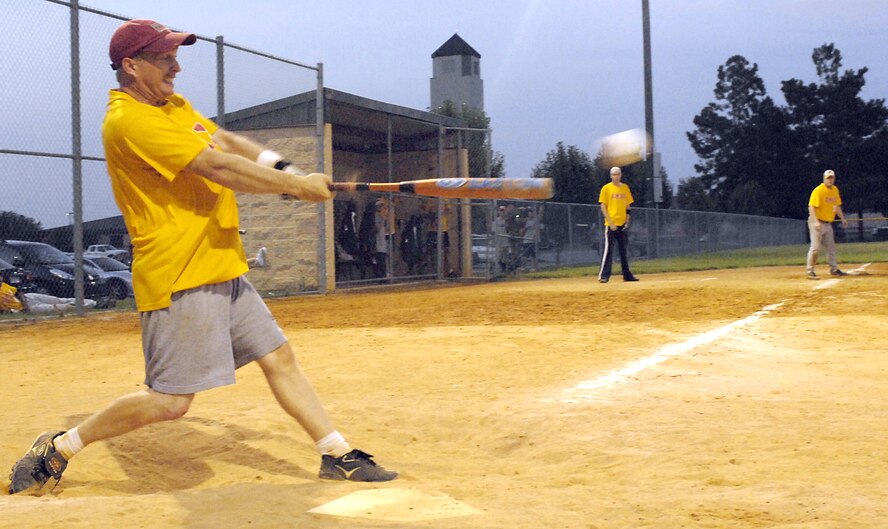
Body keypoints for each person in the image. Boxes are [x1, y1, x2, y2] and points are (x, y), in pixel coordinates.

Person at [8, 19, 396, 495]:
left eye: (174, 54)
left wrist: (286, 169)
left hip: (220, 262)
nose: (176, 65)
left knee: (279, 357)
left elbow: (226, 143)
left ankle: (336, 453)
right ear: (131, 66)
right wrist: (294, 187)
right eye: (163, 56)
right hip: (180, 273)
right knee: (170, 403)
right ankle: (61, 446)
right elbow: (214, 165)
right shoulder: (131, 120)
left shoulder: (171, 107)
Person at [598, 166, 639, 283]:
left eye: (618, 174)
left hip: (622, 224)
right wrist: (610, 223)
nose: (616, 176)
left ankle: (627, 275)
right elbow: (603, 207)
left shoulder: (625, 188)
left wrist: (627, 220)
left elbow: (628, 206)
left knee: (623, 251)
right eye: (614, 174)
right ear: (611, 176)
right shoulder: (606, 188)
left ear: (621, 175)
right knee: (609, 251)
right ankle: (604, 275)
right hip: (611, 225)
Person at [806, 169, 848, 279]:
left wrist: (843, 218)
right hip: (817, 222)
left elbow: (837, 206)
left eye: (832, 178)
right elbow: (811, 207)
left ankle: (834, 268)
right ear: (824, 179)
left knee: (831, 247)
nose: (830, 180)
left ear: (834, 179)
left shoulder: (834, 190)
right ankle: (810, 271)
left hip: (827, 223)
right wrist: (815, 221)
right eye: (828, 178)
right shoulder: (818, 190)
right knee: (815, 248)